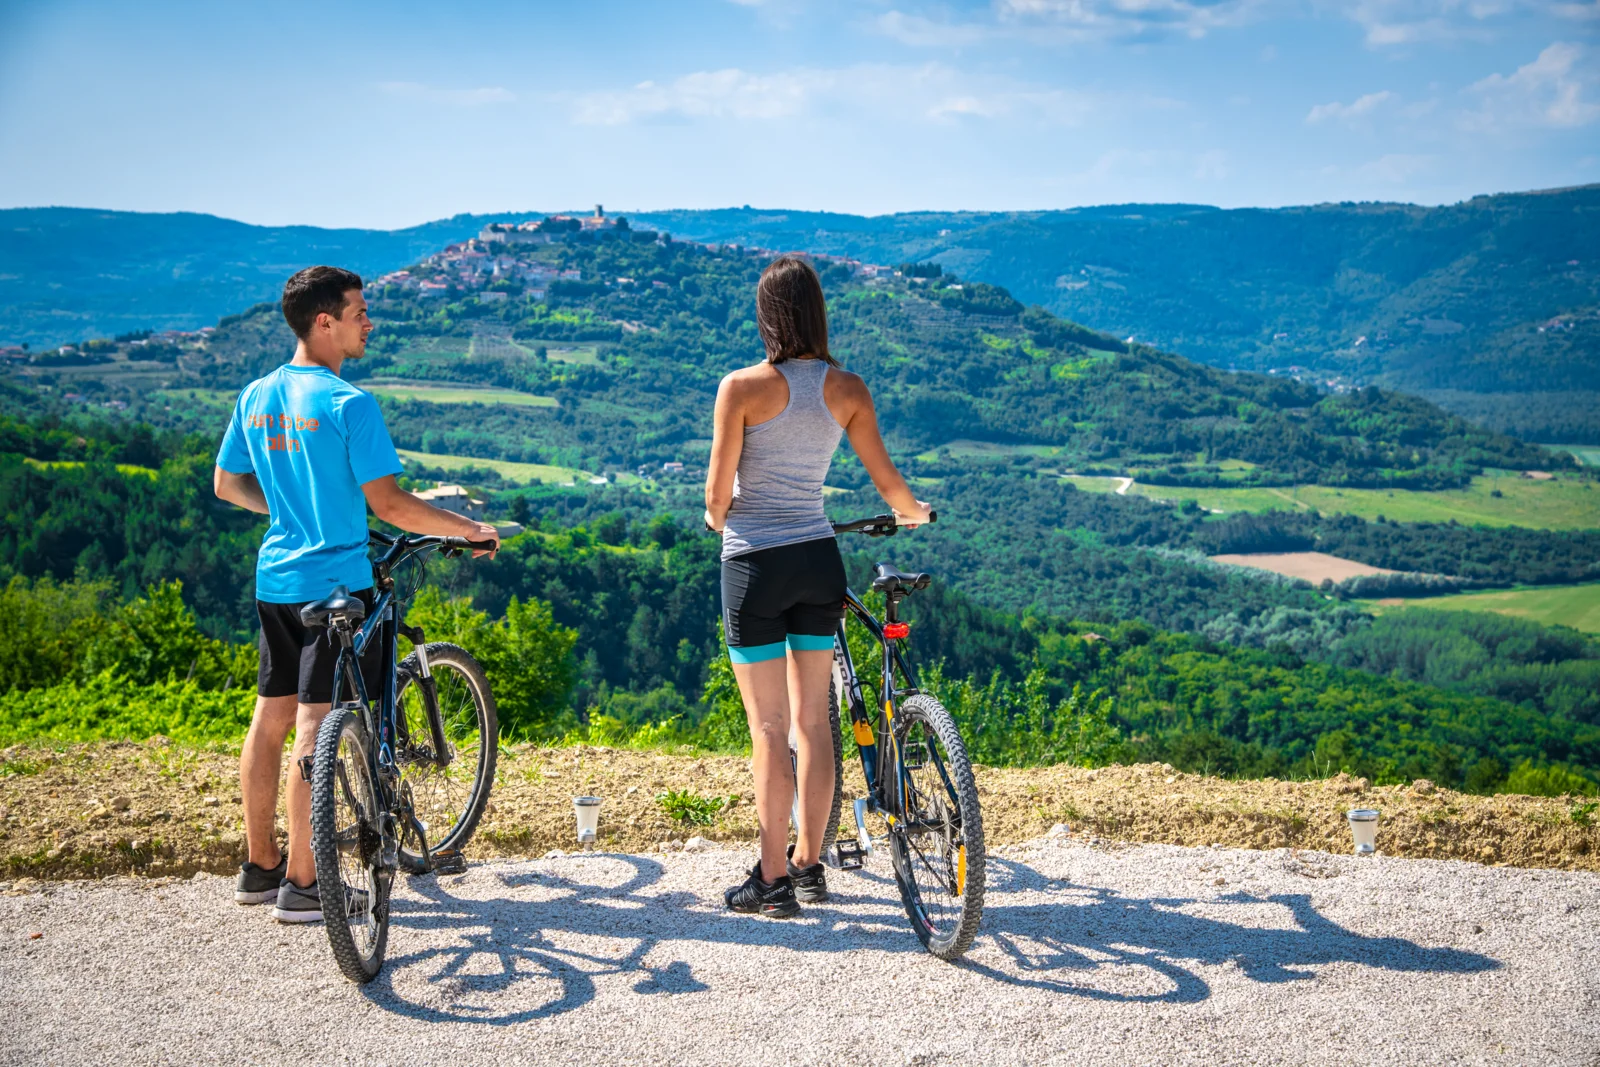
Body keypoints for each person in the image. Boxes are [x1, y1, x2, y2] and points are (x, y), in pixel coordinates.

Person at [214, 265, 500, 923]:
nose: (368, 321)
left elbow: (227, 484)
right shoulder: (349, 403)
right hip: (338, 585)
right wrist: (470, 529)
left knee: (271, 717)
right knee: (316, 723)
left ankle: (259, 865)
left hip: (276, 580)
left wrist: (292, 512)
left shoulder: (256, 394)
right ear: (325, 322)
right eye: (358, 311)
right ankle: (306, 883)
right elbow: (394, 505)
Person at [705, 256, 930, 917]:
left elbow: (718, 499)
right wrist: (913, 511)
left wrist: (716, 512)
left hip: (754, 566)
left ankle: (770, 878)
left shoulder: (741, 388)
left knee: (769, 729)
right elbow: (891, 488)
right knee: (814, 725)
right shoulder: (849, 388)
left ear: (767, 316)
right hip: (817, 559)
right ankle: (809, 865)